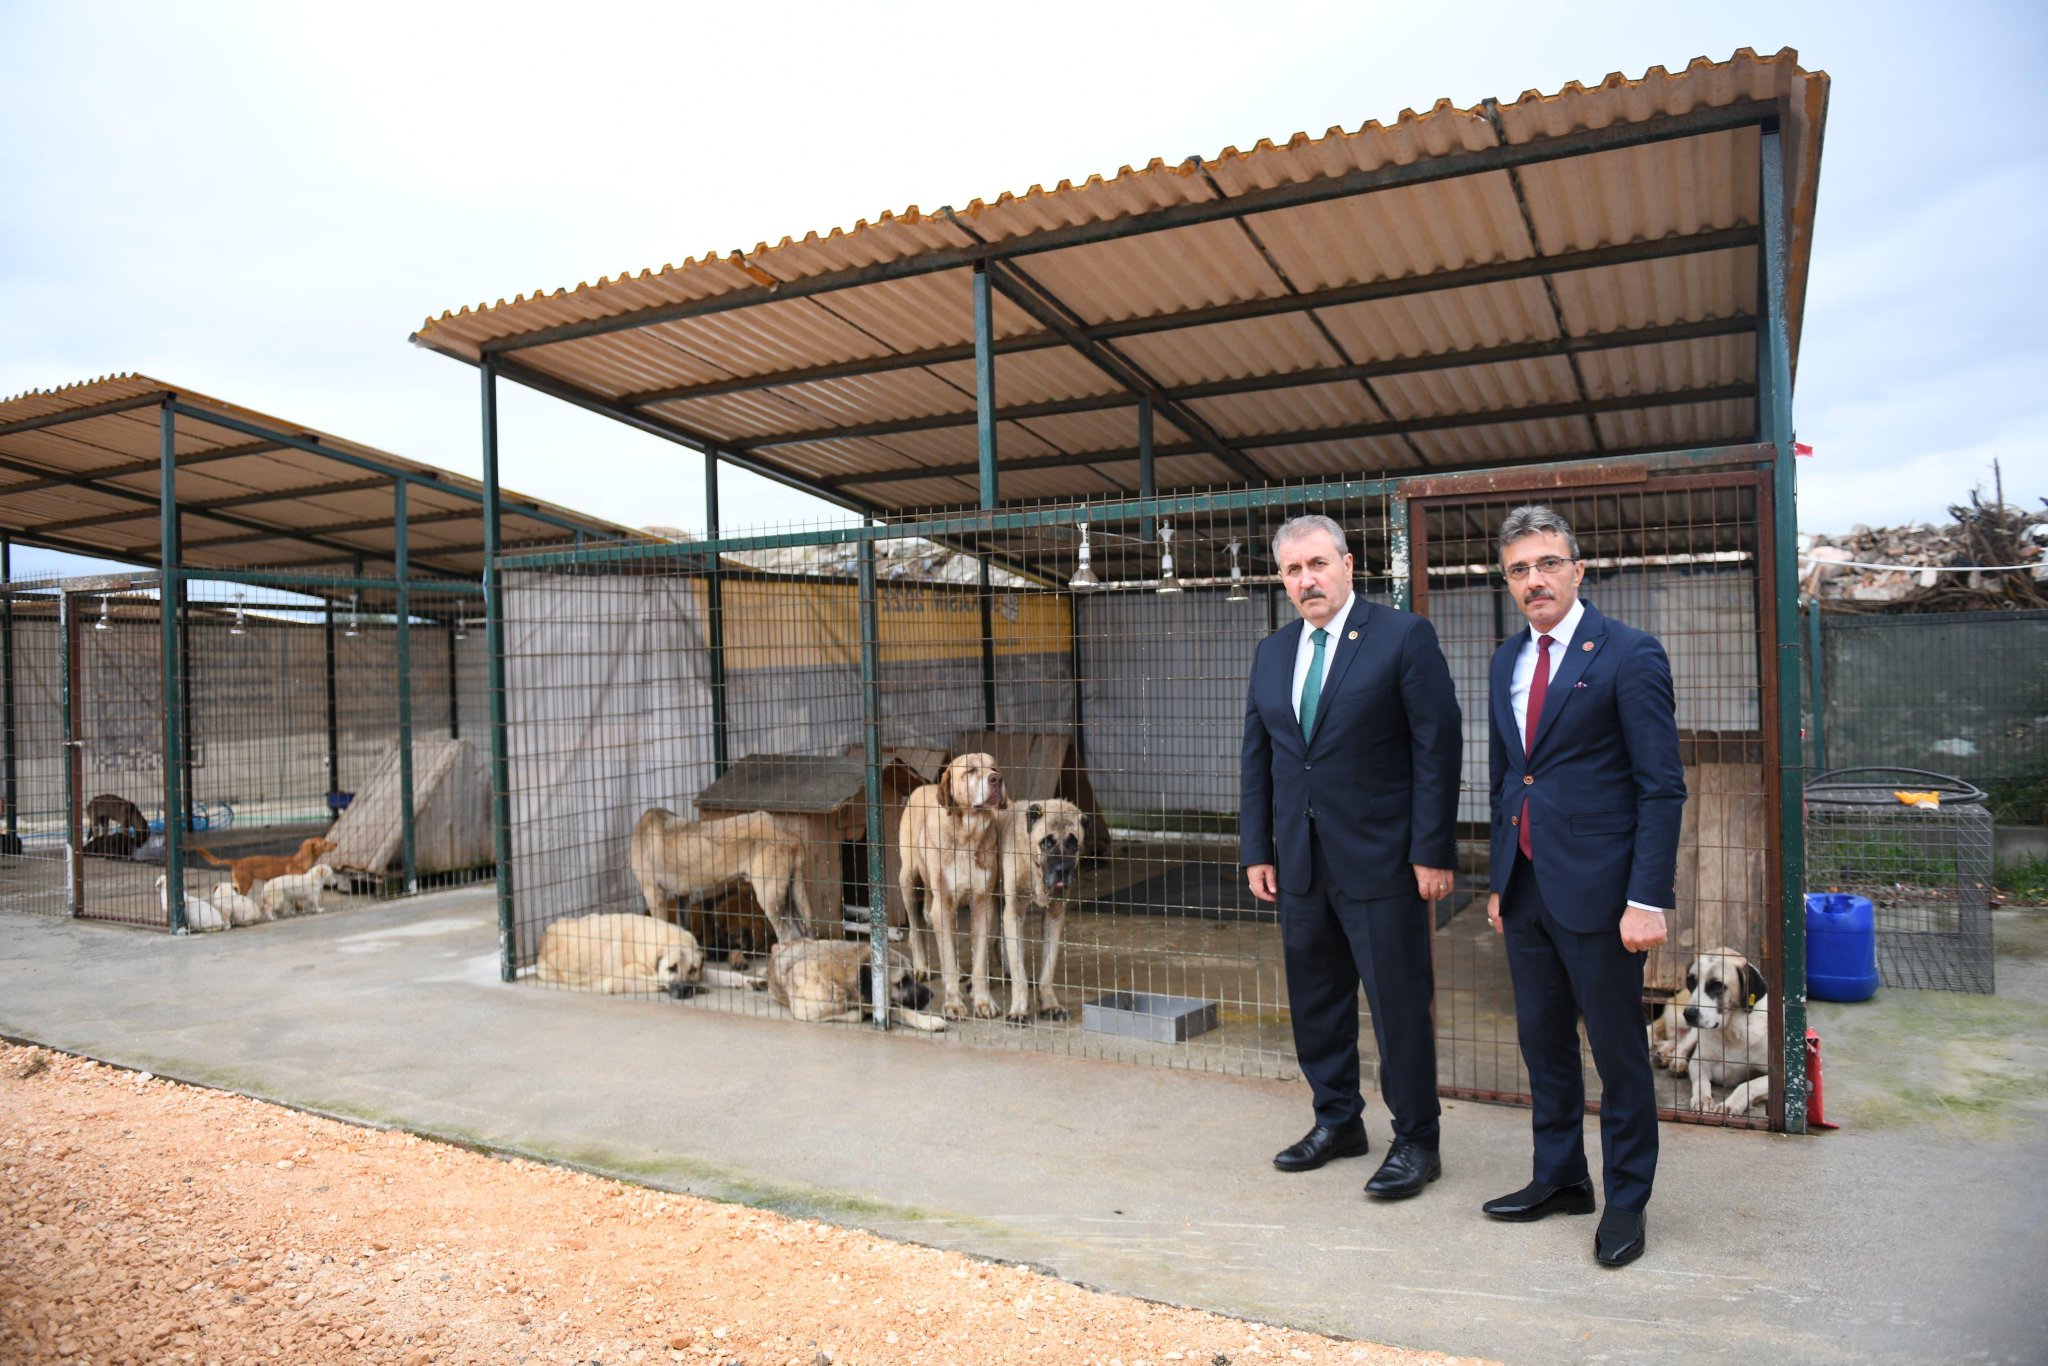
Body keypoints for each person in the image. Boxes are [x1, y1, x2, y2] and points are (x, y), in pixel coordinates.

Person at [1480, 504, 1685, 1267]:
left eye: (1547, 564)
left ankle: (1627, 1199)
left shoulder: (1630, 655)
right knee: (1543, 1044)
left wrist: (1646, 896)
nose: (1534, 580)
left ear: (1578, 569)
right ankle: (1560, 1177)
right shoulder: (1507, 661)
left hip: (1603, 894)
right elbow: (1511, 775)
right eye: (1519, 570)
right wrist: (1501, 880)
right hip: (1528, 888)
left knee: (1618, 1051)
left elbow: (1661, 787)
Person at [1240, 514, 1462, 1200]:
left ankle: (1417, 1140)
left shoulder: (1402, 637)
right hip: (1301, 864)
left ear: (1347, 563)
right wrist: (1256, 849)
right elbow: (1260, 757)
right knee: (1316, 1001)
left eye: (1317, 564)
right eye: (1292, 570)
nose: (1306, 580)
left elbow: (1437, 749)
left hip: (1384, 862)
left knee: (1397, 1005)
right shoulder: (1273, 652)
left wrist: (1432, 850)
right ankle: (1337, 1120)